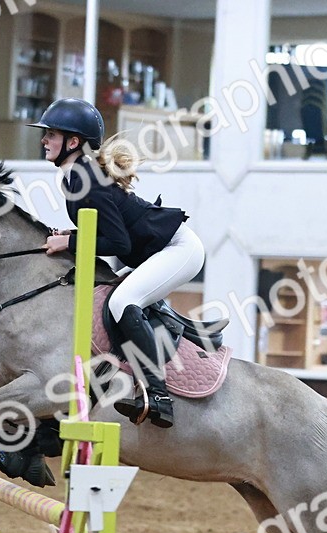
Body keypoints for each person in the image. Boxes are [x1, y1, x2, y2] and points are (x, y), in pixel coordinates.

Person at [30, 98, 204, 429]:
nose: (44, 140)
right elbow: (104, 230)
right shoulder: (75, 178)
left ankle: (159, 395)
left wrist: (70, 241)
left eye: (50, 134)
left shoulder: (87, 179)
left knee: (124, 300)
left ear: (73, 141)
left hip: (179, 249)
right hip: (153, 251)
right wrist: (72, 234)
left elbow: (119, 244)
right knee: (108, 298)